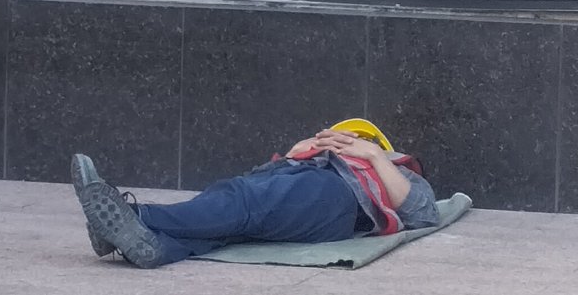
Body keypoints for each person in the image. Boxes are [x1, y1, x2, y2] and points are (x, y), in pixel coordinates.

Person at [72, 117, 439, 269]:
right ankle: (150, 246)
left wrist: (374, 155)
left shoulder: (393, 167)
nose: (341, 141)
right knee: (229, 215)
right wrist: (297, 153)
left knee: (244, 203)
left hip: (335, 195)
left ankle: (134, 216)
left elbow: (423, 214)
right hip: (297, 188)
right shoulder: (312, 158)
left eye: (350, 139)